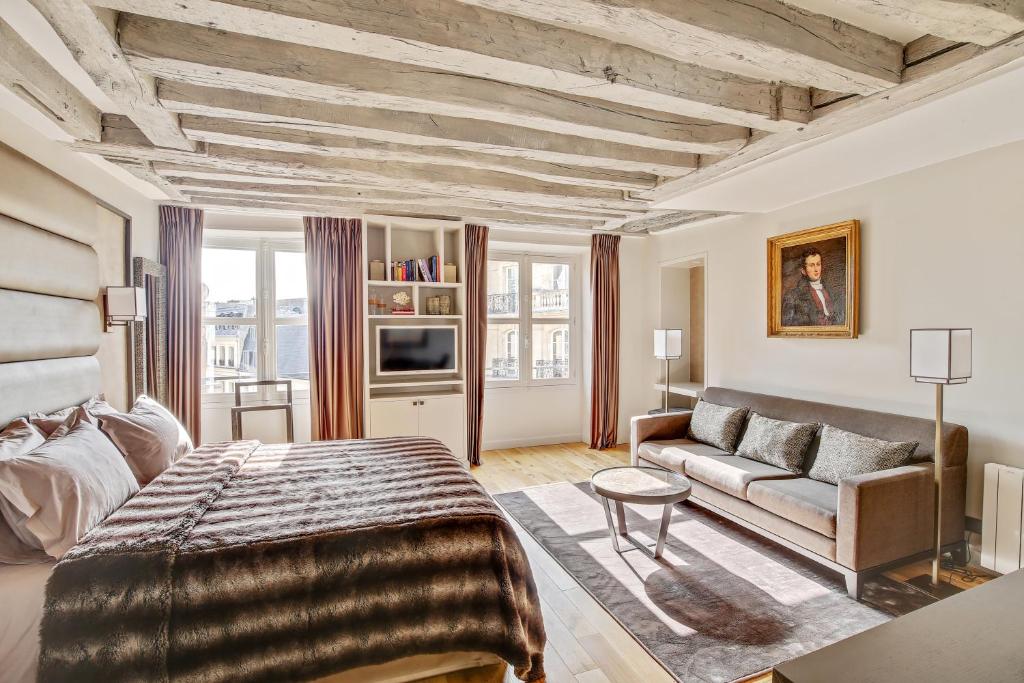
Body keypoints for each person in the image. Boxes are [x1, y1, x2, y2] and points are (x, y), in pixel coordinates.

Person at [781, 247, 843, 326]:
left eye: (818, 264)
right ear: (803, 271)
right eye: (811, 265)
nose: (816, 269)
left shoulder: (832, 291)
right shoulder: (792, 297)